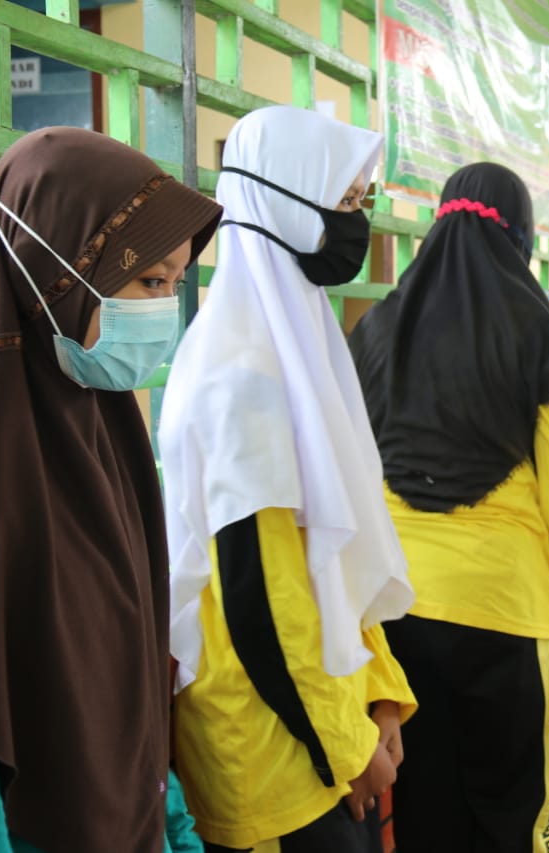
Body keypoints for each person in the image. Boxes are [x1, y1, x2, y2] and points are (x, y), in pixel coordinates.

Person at [0, 127, 221, 852]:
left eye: (176, 285)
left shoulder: (99, 426)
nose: (163, 311)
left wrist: (170, 828)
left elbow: (123, 677)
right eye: (150, 281)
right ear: (53, 268)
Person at [159, 105, 416, 853]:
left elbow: (333, 556)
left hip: (321, 720)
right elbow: (261, 607)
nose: (356, 225)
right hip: (271, 751)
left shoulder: (293, 343)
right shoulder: (241, 374)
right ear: (283, 201)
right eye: (345, 202)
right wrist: (347, 744)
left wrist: (380, 693)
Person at [349, 163, 549, 853]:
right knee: (523, 816)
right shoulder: (542, 334)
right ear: (520, 237)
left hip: (399, 611)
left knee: (427, 812)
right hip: (509, 616)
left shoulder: (377, 329)